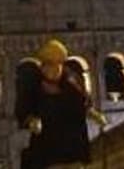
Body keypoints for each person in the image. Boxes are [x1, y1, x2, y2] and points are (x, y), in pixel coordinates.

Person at [15, 39, 107, 169]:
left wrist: (94, 114)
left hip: (74, 144)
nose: (55, 69)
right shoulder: (33, 84)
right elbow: (23, 108)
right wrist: (31, 120)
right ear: (43, 66)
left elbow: (82, 102)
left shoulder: (72, 80)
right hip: (48, 147)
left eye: (59, 64)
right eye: (51, 65)